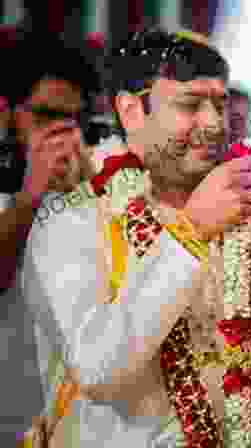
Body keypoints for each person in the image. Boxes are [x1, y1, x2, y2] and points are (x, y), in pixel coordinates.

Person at [20, 27, 251, 448]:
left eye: (219, 105)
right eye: (190, 104)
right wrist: (190, 232)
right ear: (132, 110)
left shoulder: (232, 220)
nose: (212, 123)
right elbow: (99, 367)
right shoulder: (73, 217)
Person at [0, 33, 98, 443]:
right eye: (45, 117)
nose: (60, 134)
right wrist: (30, 195)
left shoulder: (91, 173)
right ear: (7, 113)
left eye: (72, 121)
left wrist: (93, 195)